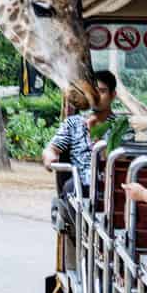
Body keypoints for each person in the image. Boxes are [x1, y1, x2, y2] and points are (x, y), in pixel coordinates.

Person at [42, 69, 118, 200]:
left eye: (102, 91)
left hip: (110, 185)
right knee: (71, 189)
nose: (96, 96)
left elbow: (120, 160)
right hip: (80, 184)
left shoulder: (120, 127)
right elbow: (51, 149)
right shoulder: (73, 123)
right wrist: (49, 157)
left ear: (113, 95)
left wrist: (95, 134)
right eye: (92, 91)